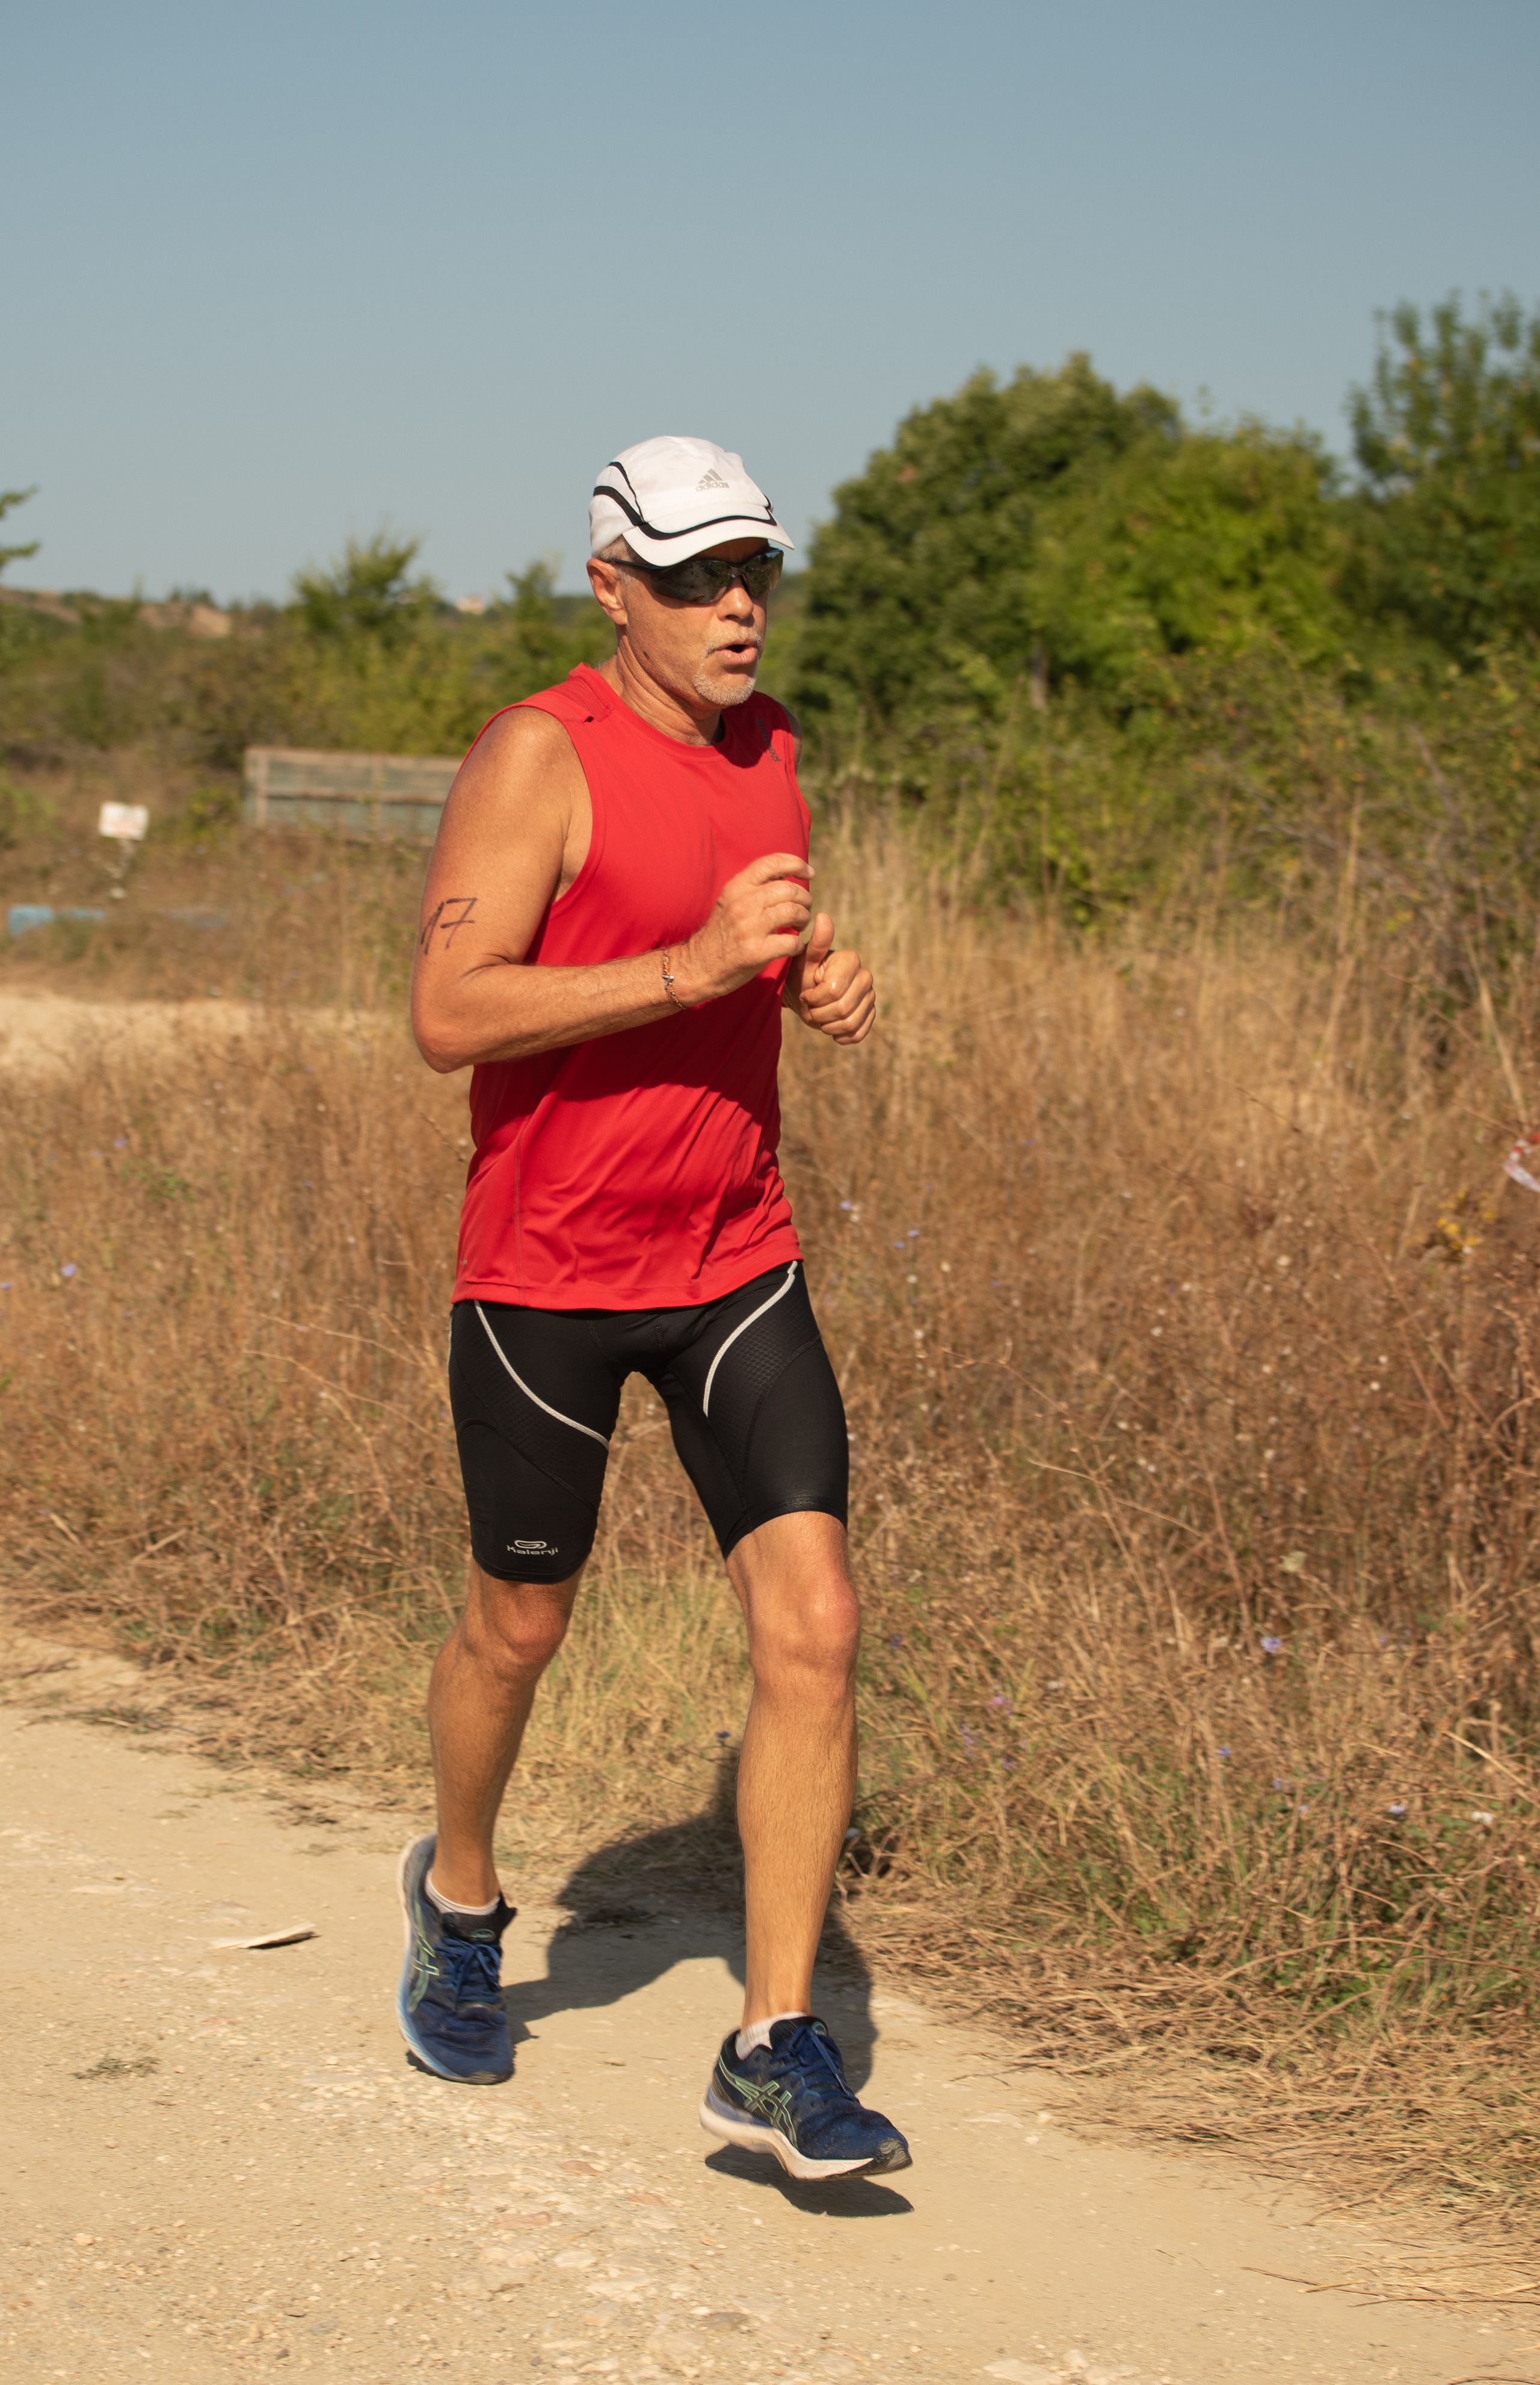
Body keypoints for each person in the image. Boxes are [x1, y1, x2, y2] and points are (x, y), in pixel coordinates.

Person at [396, 436, 910, 2181]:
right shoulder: (542, 754)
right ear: (612, 582)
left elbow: (751, 935)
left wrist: (810, 971)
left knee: (817, 1620)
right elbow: (450, 1011)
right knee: (517, 1631)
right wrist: (688, 967)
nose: (737, 604)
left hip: (734, 1261)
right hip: (546, 1277)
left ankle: (773, 2044)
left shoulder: (774, 753)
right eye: (694, 575)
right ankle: (460, 1895)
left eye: (754, 565)